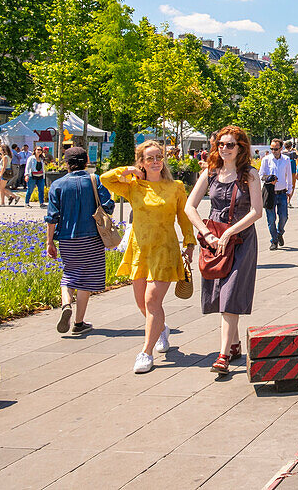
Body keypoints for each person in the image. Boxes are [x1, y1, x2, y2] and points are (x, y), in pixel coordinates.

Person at [101, 140, 195, 374]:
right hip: (140, 250)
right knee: (143, 303)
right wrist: (126, 170)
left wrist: (190, 243)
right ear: (141, 162)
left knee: (153, 300)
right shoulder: (134, 187)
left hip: (165, 249)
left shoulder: (176, 187)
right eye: (150, 158)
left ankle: (146, 352)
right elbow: (105, 180)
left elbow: (184, 218)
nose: (155, 162)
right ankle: (161, 329)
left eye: (159, 157)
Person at [184, 126, 263, 374]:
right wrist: (206, 233)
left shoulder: (250, 174)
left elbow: (256, 211)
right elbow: (189, 207)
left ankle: (222, 356)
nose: (224, 149)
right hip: (214, 238)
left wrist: (230, 232)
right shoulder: (210, 173)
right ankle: (235, 343)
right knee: (220, 290)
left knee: (230, 294)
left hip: (241, 239)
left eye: (230, 145)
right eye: (221, 144)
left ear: (241, 148)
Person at [44, 146, 115, 336]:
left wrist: (49, 242)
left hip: (67, 238)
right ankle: (78, 322)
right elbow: (108, 205)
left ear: (66, 163)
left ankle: (66, 303)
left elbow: (52, 217)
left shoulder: (57, 185)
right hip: (92, 237)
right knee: (86, 280)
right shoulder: (94, 180)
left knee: (69, 274)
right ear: (86, 161)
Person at [259, 139, 292, 249]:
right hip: (270, 193)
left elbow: (289, 175)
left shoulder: (286, 159)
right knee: (271, 218)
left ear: (281, 148)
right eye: (272, 149)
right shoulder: (266, 160)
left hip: (282, 192)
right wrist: (268, 179)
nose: (274, 151)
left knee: (284, 217)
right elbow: (260, 175)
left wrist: (289, 190)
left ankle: (279, 233)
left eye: (276, 149)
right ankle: (274, 240)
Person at [283, 141, 298, 207]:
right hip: (292, 168)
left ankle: (285, 200)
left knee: (284, 183)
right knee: (292, 185)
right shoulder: (293, 153)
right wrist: (296, 150)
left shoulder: (282, 153)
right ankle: (288, 200)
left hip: (284, 168)